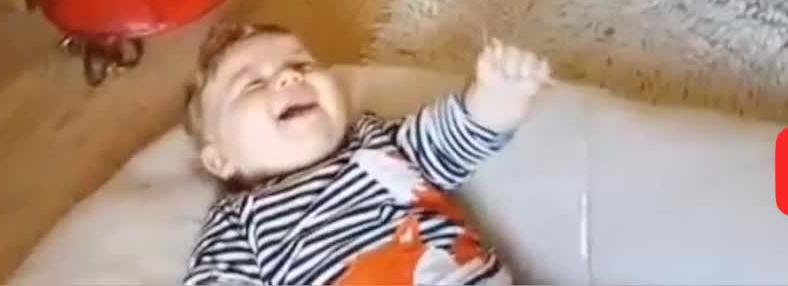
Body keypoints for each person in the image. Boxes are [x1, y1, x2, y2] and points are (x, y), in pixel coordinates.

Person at [181, 23, 551, 285]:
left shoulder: (377, 141)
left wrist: (499, 95)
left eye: (301, 65)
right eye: (253, 84)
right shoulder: (238, 220)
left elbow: (456, 134)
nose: (289, 78)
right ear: (220, 160)